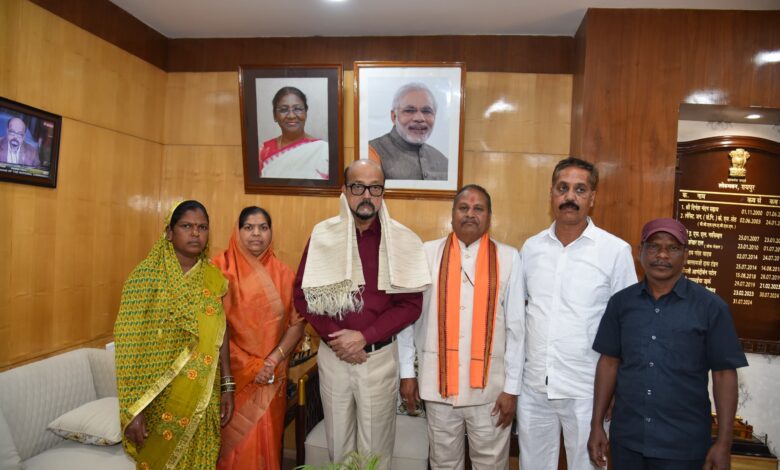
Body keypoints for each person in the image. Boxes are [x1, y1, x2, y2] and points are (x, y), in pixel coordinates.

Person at [293, 160, 430, 469]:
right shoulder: (323, 236)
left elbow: (411, 304)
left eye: (375, 188)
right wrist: (339, 340)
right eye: (358, 187)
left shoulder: (402, 240)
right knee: (338, 446)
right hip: (334, 356)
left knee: (375, 451)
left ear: (383, 192)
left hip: (378, 359)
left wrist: (364, 337)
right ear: (344, 190)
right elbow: (302, 296)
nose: (367, 195)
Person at [505, 157, 637, 470]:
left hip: (587, 389)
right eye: (562, 188)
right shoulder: (531, 248)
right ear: (551, 194)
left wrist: (617, 388)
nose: (570, 197)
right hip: (535, 386)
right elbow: (518, 319)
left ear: (592, 197)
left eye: (580, 190)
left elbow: (630, 325)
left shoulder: (615, 251)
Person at [588, 218, 748, 469]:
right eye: (653, 246)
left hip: (683, 446)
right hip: (627, 441)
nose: (662, 255)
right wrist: (596, 424)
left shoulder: (711, 307)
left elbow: (724, 375)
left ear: (686, 255)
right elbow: (609, 362)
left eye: (672, 248)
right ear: (640, 251)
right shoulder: (621, 303)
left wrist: (724, 443)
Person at [397, 185, 523, 469]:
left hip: (491, 392)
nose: (470, 214)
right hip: (438, 386)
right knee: (443, 464)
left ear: (489, 216)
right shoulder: (426, 254)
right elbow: (408, 319)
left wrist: (512, 389)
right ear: (452, 214)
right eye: (463, 208)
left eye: (479, 209)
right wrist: (407, 373)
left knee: (491, 464)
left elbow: (517, 330)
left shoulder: (509, 258)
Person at [114, 200, 235, 469]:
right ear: (169, 232)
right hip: (156, 396)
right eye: (186, 226)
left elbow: (219, 332)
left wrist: (227, 384)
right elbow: (128, 347)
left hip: (203, 391)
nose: (195, 233)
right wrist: (135, 408)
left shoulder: (213, 278)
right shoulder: (144, 278)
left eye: (202, 227)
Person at [213, 206, 306, 469]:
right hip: (232, 380)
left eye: (263, 228)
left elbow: (297, 324)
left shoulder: (285, 274)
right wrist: (252, 367)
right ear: (238, 231)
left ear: (271, 233)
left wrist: (271, 362)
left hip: (271, 378)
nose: (256, 233)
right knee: (233, 451)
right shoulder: (218, 270)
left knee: (267, 446)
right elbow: (213, 328)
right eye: (249, 227)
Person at [368, 82, 448, 180]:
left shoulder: (443, 161)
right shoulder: (372, 151)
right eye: (409, 111)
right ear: (394, 116)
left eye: (427, 111)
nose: (419, 118)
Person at [259, 86, 329, 180]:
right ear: (274, 116)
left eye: (298, 109)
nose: (291, 116)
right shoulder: (264, 151)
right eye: (284, 110)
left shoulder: (323, 150)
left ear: (306, 113)